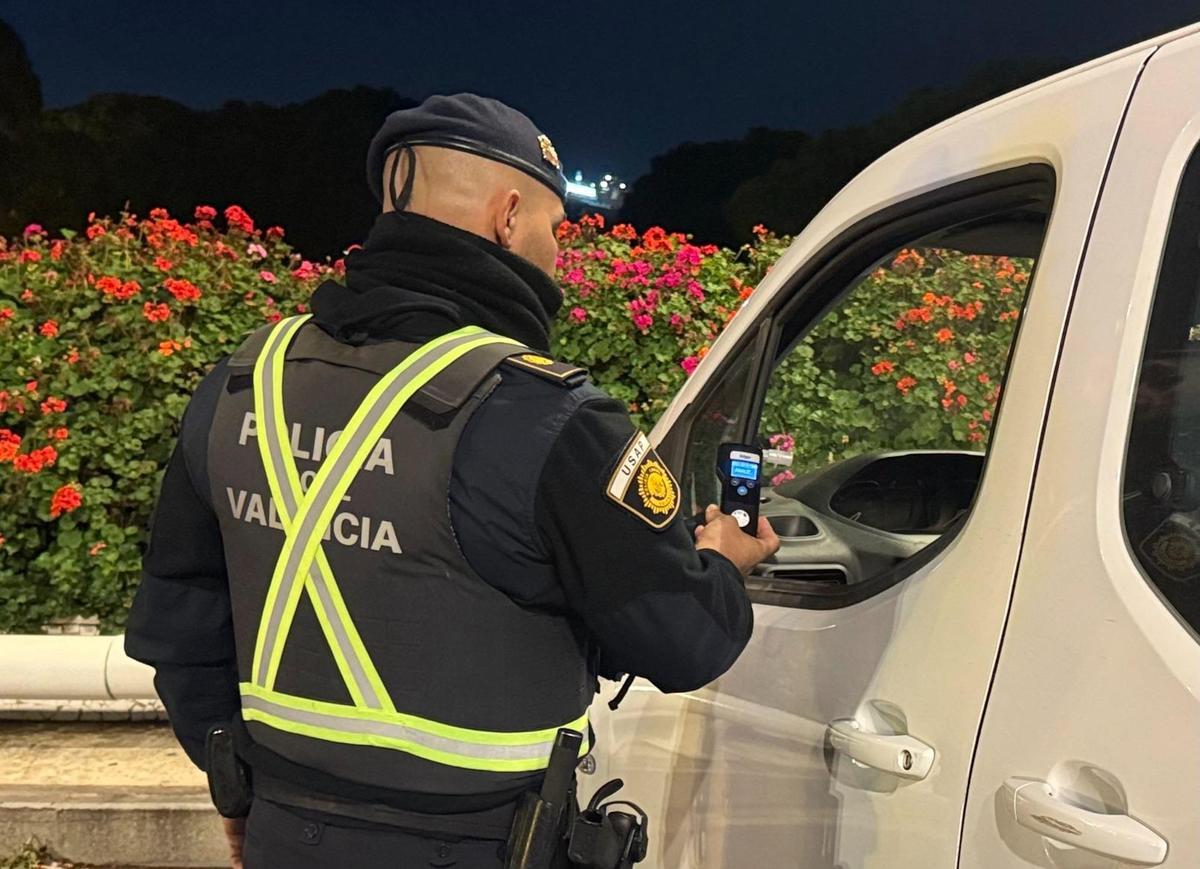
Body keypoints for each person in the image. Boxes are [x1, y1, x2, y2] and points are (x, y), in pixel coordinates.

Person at [125, 93, 779, 869]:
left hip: (283, 832)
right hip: (483, 844)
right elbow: (684, 639)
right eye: (554, 227)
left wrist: (239, 790)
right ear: (508, 217)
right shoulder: (547, 415)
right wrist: (724, 564)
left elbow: (180, 628)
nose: (556, 251)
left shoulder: (242, 382)